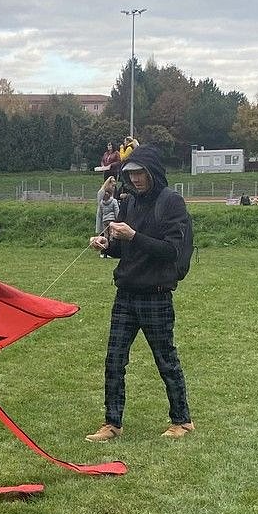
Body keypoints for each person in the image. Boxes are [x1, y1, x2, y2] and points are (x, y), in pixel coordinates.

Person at [86, 143, 193, 441]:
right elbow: (125, 249)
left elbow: (171, 250)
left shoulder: (171, 202)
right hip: (126, 294)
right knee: (114, 360)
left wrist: (133, 235)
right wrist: (107, 246)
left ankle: (182, 421)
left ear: (152, 172)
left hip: (156, 295)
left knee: (165, 359)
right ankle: (112, 423)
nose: (135, 179)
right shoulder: (130, 203)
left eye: (140, 173)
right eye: (131, 173)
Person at [95, 177, 120, 257]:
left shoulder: (112, 193)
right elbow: (100, 205)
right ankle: (104, 251)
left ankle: (109, 251)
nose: (114, 186)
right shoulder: (102, 192)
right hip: (105, 217)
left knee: (107, 235)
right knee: (106, 234)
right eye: (112, 183)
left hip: (105, 218)